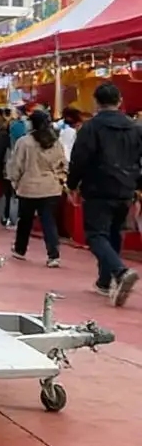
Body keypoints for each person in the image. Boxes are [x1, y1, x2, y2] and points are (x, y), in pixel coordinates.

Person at [66, 82, 142, 305]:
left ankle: (119, 271)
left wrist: (72, 184)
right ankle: (104, 280)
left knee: (96, 235)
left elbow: (79, 159)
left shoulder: (90, 128)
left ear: (96, 102)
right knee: (115, 232)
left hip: (98, 187)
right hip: (126, 187)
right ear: (119, 101)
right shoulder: (135, 128)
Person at [7, 109, 66, 267]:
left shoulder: (24, 142)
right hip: (51, 187)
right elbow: (63, 164)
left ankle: (20, 249)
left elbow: (16, 165)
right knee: (48, 221)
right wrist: (61, 179)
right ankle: (53, 255)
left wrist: (14, 181)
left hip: (28, 187)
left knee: (25, 220)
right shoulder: (55, 142)